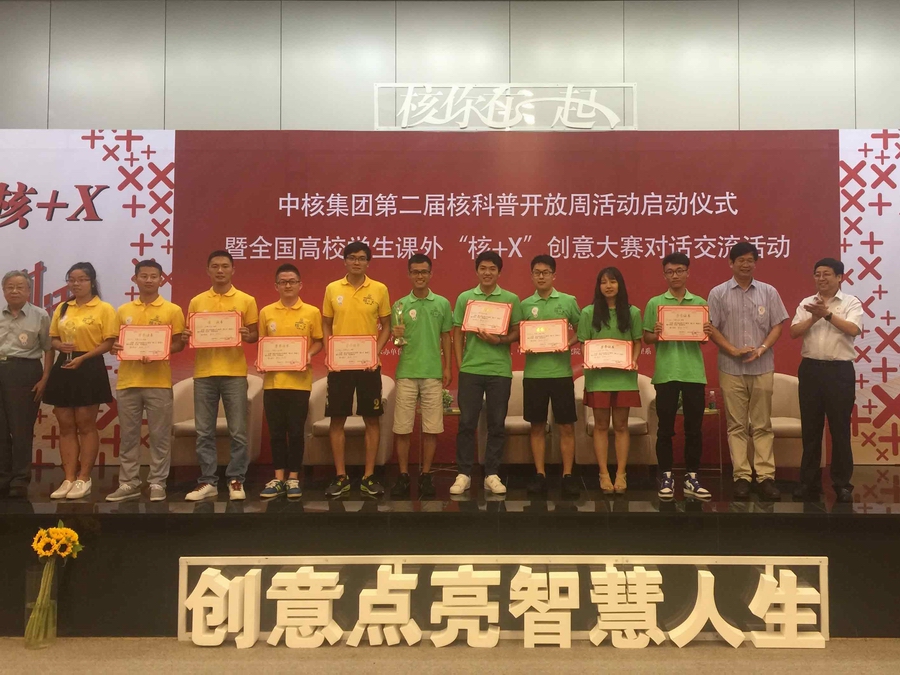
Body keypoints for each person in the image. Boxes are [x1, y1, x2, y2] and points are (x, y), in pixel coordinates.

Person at [708, 242, 788, 501]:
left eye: (750, 260)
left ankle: (765, 476)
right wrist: (732, 350)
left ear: (756, 263)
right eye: (740, 260)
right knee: (737, 425)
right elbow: (711, 328)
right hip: (731, 367)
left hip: (762, 366)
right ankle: (741, 476)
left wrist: (762, 348)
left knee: (762, 423)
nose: (745, 264)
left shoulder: (769, 291)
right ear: (730, 263)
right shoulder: (718, 293)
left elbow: (777, 325)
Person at [106, 261, 185, 503]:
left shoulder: (172, 310)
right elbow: (114, 343)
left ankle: (158, 482)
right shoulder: (123, 310)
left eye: (153, 276)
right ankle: (128, 482)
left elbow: (179, 344)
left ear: (162, 279)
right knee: (128, 436)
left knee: (159, 436)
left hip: (158, 382)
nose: (149, 280)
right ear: (135, 279)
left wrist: (160, 351)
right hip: (128, 382)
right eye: (144, 276)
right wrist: (116, 346)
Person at [183, 250, 258, 502]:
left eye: (225, 266)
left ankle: (236, 479)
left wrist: (247, 334)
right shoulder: (197, 301)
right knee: (204, 431)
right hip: (204, 373)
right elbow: (190, 332)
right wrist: (188, 335)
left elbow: (254, 335)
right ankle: (208, 481)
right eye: (215, 266)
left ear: (233, 270)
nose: (220, 270)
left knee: (238, 431)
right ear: (208, 270)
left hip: (234, 373)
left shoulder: (246, 300)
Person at [322, 241, 392, 498]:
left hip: (368, 366)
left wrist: (376, 352)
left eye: (362, 258)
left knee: (371, 419)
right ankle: (341, 476)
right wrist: (330, 351)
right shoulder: (332, 289)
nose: (356, 262)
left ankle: (369, 476)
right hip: (339, 366)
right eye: (352, 257)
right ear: (344, 261)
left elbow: (386, 325)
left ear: (368, 262)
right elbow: (326, 323)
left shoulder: (379, 289)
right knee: (337, 418)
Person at [450, 250, 523, 496]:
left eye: (492, 268)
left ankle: (492, 473)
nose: (487, 272)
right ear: (476, 271)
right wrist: (460, 363)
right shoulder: (465, 298)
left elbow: (517, 332)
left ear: (499, 272)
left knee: (496, 424)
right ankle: (463, 473)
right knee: (466, 423)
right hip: (471, 370)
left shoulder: (511, 298)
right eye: (483, 268)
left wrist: (498, 340)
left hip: (499, 370)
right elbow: (457, 332)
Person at [789, 258, 861, 503]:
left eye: (827, 274)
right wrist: (814, 317)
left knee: (840, 430)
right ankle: (808, 483)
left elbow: (853, 329)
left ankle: (842, 484)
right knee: (811, 430)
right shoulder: (806, 303)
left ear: (840, 277)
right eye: (817, 274)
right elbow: (793, 332)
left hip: (839, 372)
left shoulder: (851, 302)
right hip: (810, 370)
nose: (821, 278)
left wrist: (827, 315)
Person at [44, 262, 118, 500]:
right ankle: (68, 478)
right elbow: (53, 339)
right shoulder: (63, 307)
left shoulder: (104, 308)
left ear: (92, 282)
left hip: (90, 365)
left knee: (86, 424)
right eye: (72, 280)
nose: (76, 284)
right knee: (65, 424)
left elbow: (109, 342)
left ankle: (84, 478)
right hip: (64, 365)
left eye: (82, 279)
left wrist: (83, 358)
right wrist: (60, 345)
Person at [643, 253, 713, 500]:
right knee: (665, 429)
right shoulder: (655, 303)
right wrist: (657, 333)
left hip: (693, 374)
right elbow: (646, 338)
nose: (675, 275)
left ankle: (692, 477)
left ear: (687, 273)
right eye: (670, 271)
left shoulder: (700, 302)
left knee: (694, 430)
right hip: (666, 374)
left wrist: (705, 331)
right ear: (664, 275)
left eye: (680, 270)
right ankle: (666, 476)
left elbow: (704, 340)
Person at [257, 263, 323, 499]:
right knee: (276, 432)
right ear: (276, 286)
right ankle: (278, 478)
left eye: (292, 281)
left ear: (300, 285)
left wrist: (309, 354)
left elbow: (319, 341)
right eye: (283, 282)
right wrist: (262, 360)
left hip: (299, 383)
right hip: (273, 383)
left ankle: (293, 477)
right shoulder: (266, 312)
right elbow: (263, 343)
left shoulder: (312, 312)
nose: (288, 285)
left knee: (295, 432)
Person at [389, 254, 453, 499]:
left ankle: (426, 474)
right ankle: (403, 475)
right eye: (415, 272)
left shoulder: (442, 303)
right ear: (409, 274)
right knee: (402, 428)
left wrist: (447, 368)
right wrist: (396, 336)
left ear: (430, 274)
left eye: (424, 271)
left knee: (431, 428)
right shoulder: (399, 305)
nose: (420, 276)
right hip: (406, 372)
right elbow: (397, 341)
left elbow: (446, 337)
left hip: (433, 373)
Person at [519, 255, 581, 498]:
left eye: (546, 272)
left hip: (561, 374)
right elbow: (519, 334)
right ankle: (540, 474)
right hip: (534, 374)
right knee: (536, 426)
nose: (541, 276)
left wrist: (567, 343)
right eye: (537, 272)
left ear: (554, 275)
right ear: (531, 276)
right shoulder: (525, 305)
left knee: (566, 426)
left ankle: (568, 475)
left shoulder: (568, 301)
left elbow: (582, 331)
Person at [577, 267, 642, 494]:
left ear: (620, 284)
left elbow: (637, 342)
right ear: (598, 286)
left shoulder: (633, 312)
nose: (608, 286)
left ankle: (621, 473)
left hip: (624, 377)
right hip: (598, 378)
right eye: (603, 282)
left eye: (612, 281)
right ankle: (603, 473)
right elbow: (584, 343)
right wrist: (590, 360)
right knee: (601, 426)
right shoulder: (588, 312)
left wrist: (633, 360)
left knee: (622, 426)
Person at [0, 271, 52, 499]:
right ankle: (3, 477)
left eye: (19, 287)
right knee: (1, 430)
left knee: (21, 429)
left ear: (29, 291)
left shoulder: (40, 315)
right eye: (9, 287)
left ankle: (20, 479)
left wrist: (45, 378)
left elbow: (49, 349)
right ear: (3, 290)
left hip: (25, 371)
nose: (14, 291)